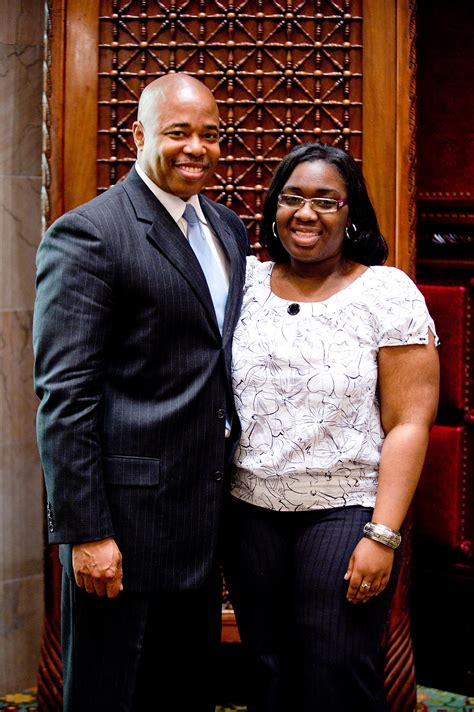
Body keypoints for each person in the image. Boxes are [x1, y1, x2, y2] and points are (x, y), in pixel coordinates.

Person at [33, 73, 248, 712]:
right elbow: (65, 396)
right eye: (178, 132)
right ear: (139, 135)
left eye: (209, 134)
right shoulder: (90, 234)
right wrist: (87, 531)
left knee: (183, 692)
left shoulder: (227, 229)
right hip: (122, 525)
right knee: (111, 694)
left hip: (204, 517)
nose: (196, 148)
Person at [224, 142, 439, 712]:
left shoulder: (387, 293)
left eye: (327, 200)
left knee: (336, 672)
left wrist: (383, 534)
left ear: (352, 214)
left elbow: (410, 422)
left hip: (347, 508)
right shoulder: (241, 285)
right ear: (274, 208)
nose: (306, 213)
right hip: (249, 510)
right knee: (266, 670)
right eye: (293, 197)